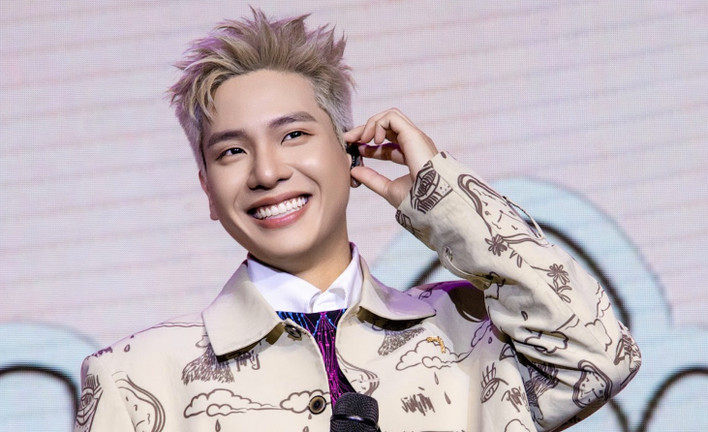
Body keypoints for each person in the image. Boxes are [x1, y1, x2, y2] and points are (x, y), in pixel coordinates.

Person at [74, 9, 641, 432]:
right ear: (206, 188)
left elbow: (599, 356)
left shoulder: (469, 334)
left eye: (294, 134)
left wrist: (440, 194)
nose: (267, 172)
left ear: (350, 153)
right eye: (232, 152)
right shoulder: (135, 378)